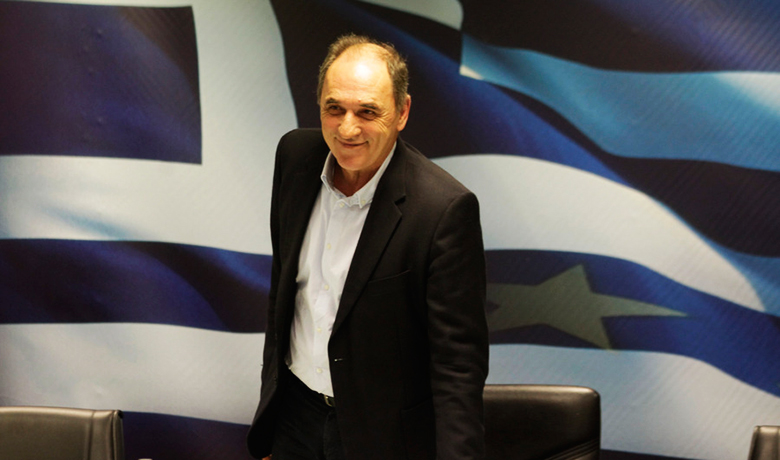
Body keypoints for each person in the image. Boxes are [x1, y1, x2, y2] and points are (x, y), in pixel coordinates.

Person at [247, 33, 489, 460]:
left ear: (402, 112)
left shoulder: (443, 210)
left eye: (367, 112)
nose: (347, 128)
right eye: (334, 108)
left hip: (382, 437)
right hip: (293, 420)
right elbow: (284, 293)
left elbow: (457, 366)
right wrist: (271, 424)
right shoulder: (294, 157)